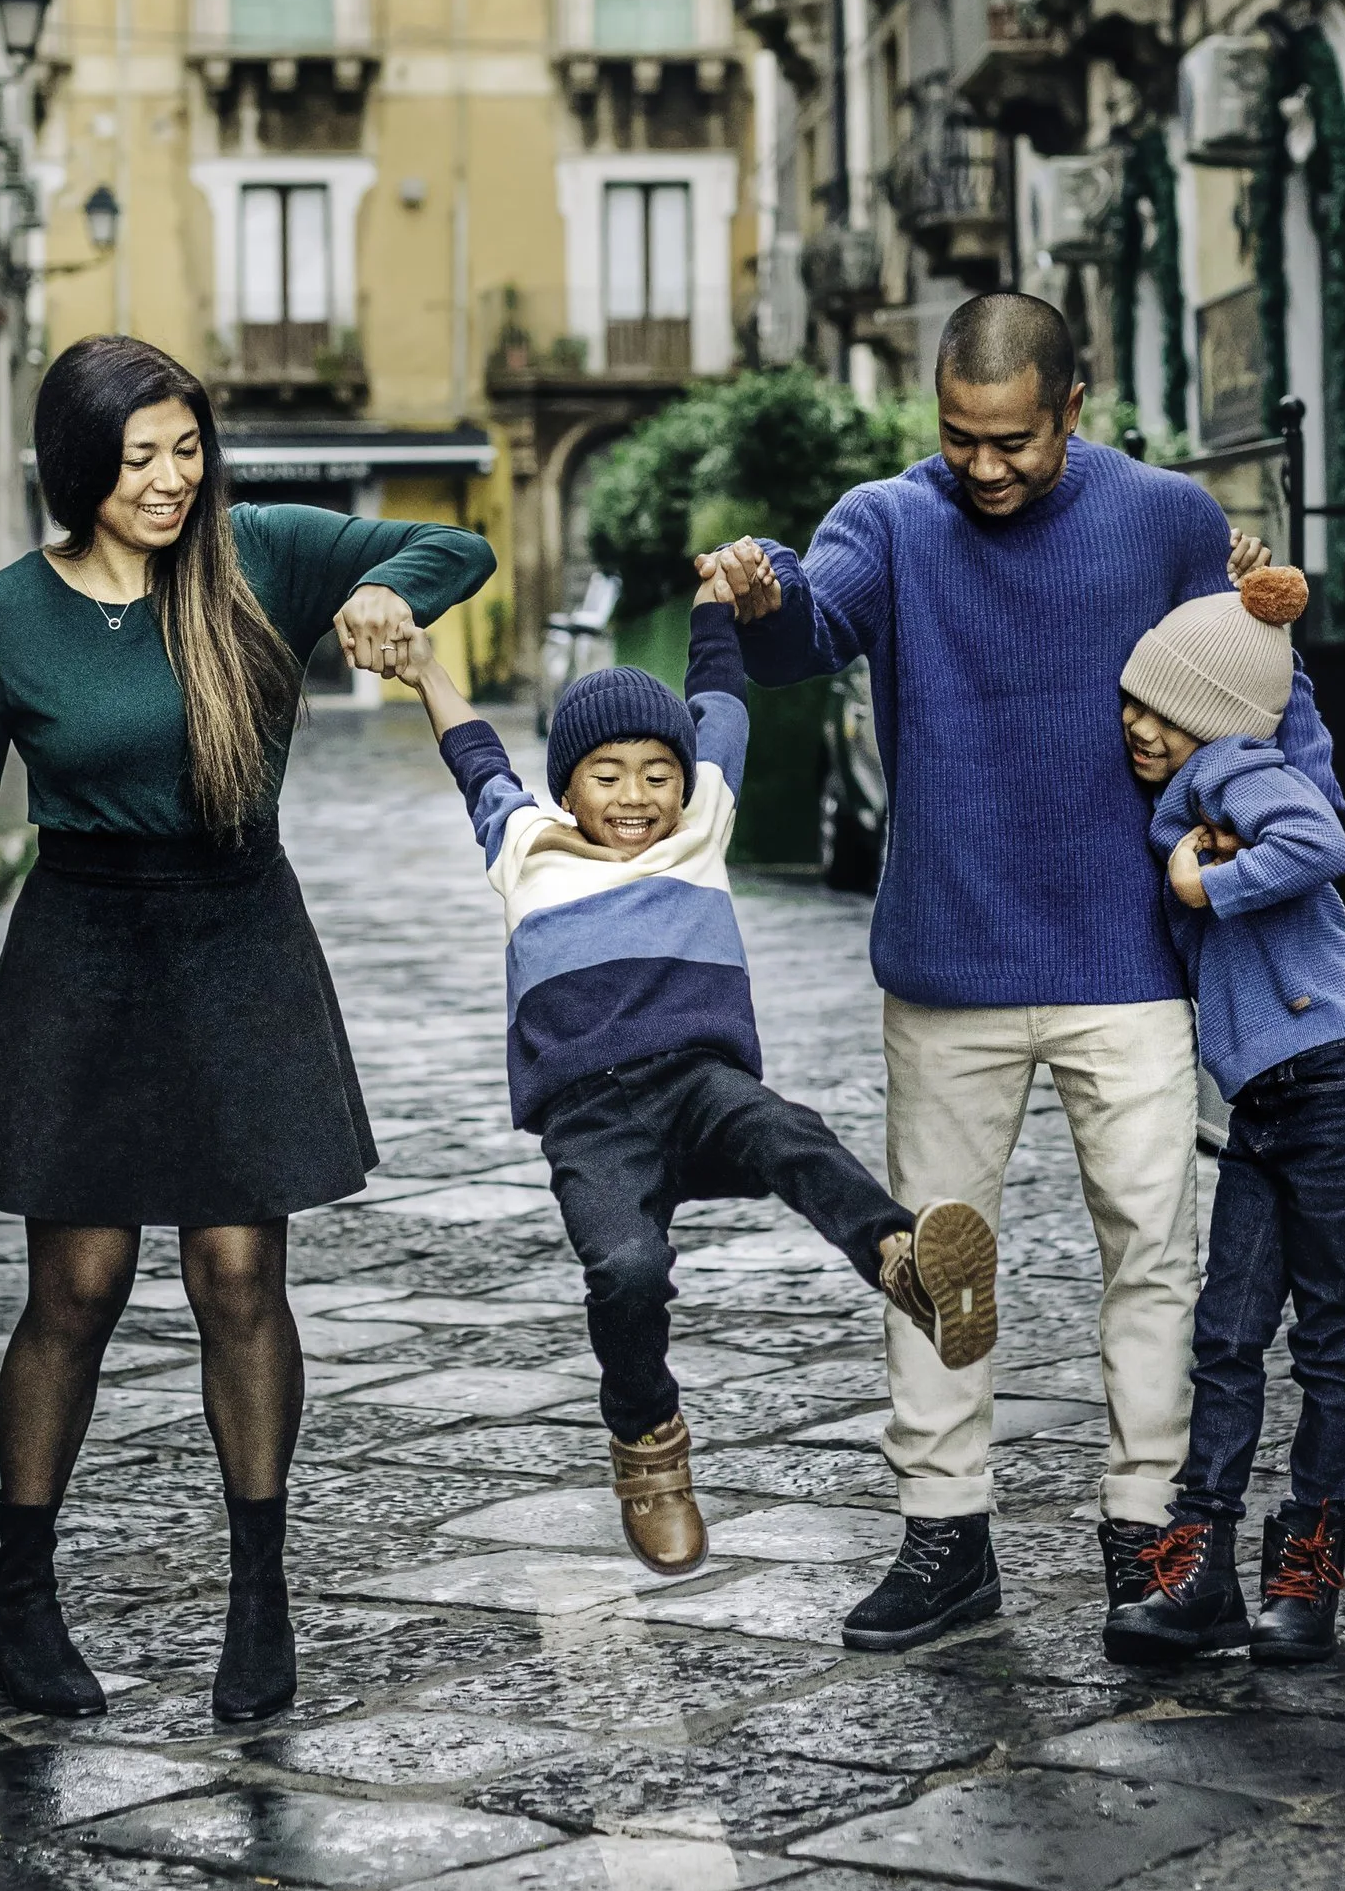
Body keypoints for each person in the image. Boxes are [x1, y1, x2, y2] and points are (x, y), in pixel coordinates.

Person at [0, 334, 492, 1729]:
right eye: (141, 455)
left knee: (236, 1273)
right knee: (76, 1286)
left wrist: (387, 589)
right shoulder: (3, 616)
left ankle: (258, 1598)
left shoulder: (257, 553)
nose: (172, 478)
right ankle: (20, 1601)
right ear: (78, 463)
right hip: (82, 948)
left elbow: (453, 546)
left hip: (235, 937)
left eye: (187, 446)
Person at [716, 289, 1345, 1654]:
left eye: (1014, 439)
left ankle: (1151, 1539)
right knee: (937, 1258)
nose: (985, 466)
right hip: (947, 961)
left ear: (1073, 405)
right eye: (959, 437)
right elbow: (807, 626)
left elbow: (1254, 688)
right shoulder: (887, 519)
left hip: (1129, 953)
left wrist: (1286, 822)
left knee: (1154, 1258)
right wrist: (762, 588)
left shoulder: (1166, 515)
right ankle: (946, 1537)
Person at [391, 558, 997, 1580]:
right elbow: (472, 751)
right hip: (592, 1119)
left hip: (699, 1084)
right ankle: (649, 1448)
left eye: (657, 774)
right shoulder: (523, 843)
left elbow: (720, 707)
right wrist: (423, 669)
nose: (637, 796)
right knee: (625, 1273)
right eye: (609, 775)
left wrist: (716, 603)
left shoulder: (700, 827)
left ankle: (904, 1264)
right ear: (568, 784)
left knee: (789, 1131)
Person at [1106, 568, 1345, 1669]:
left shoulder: (1236, 768)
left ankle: (1308, 1565)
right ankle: (1204, 1571)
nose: (1140, 726)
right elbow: (1301, 735)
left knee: (1327, 1338)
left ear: (1219, 720)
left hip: (1337, 1083)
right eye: (1134, 703)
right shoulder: (1209, 783)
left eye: (1164, 710)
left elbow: (1321, 844)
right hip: (1268, 1106)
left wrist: (1204, 888)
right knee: (1226, 1336)